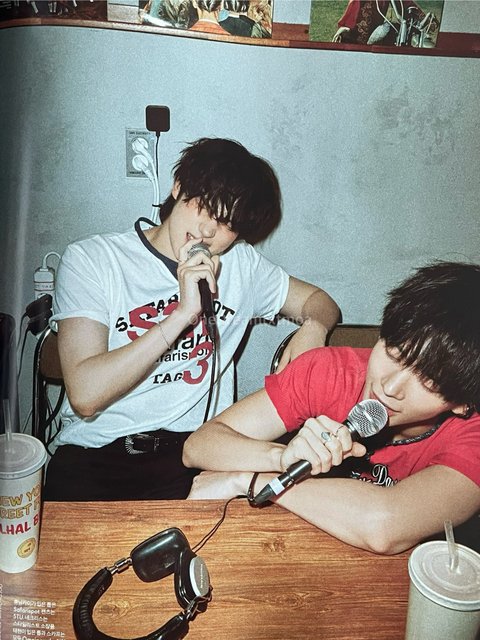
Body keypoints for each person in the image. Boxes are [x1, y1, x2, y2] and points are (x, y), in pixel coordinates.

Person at [43, 137, 340, 502]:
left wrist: (314, 328)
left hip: (194, 453)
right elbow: (86, 396)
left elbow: (319, 302)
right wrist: (182, 314)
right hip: (97, 452)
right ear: (178, 187)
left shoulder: (241, 265)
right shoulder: (94, 260)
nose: (208, 231)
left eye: (227, 223)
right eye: (204, 207)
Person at [184, 261, 480, 554]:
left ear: (463, 403)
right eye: (394, 352)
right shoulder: (330, 371)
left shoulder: (473, 435)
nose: (389, 387)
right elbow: (198, 446)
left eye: (429, 383)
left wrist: (247, 481)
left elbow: (384, 526)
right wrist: (280, 457)